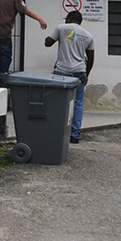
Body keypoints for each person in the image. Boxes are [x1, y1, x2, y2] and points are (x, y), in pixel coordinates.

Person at [45, 10, 95, 143]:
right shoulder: (88, 36)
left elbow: (48, 43)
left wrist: (48, 38)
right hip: (80, 72)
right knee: (78, 103)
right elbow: (91, 58)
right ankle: (75, 134)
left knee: (58, 102)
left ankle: (56, 132)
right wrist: (87, 74)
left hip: (62, 72)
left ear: (69, 18)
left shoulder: (62, 28)